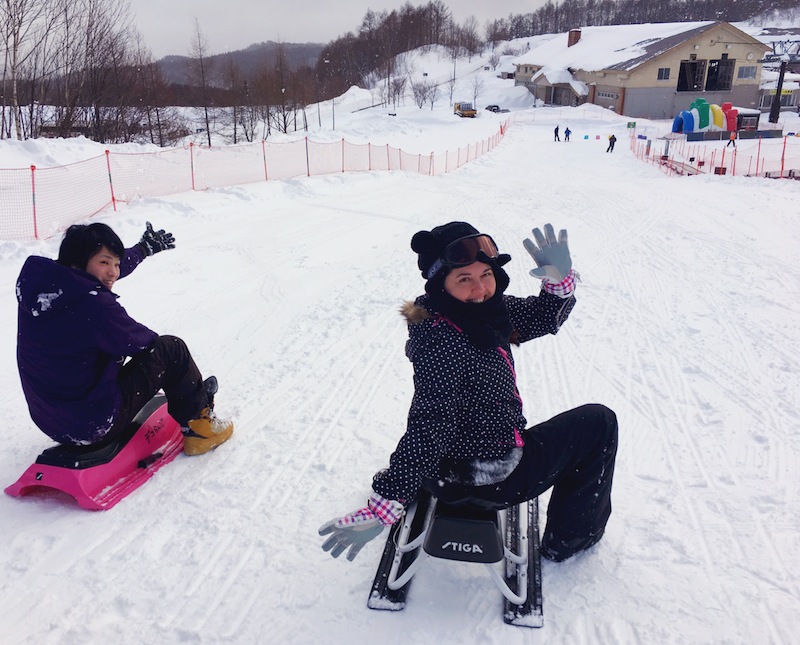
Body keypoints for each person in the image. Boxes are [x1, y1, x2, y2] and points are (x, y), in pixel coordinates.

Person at [319, 222, 618, 563]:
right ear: (440, 284)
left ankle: (417, 481)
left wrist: (558, 282)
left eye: (486, 275)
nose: (480, 289)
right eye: (464, 279)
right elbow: (431, 422)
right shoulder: (443, 342)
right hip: (489, 481)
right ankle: (570, 540)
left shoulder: (479, 313)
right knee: (599, 423)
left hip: (442, 473)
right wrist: (386, 503)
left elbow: (540, 318)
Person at [16, 221, 234, 455]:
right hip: (93, 425)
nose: (113, 272)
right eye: (104, 262)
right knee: (171, 350)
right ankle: (201, 429)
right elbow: (145, 343)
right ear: (78, 262)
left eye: (116, 263)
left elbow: (103, 274)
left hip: (49, 420)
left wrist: (142, 250)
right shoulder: (95, 307)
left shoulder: (46, 289)